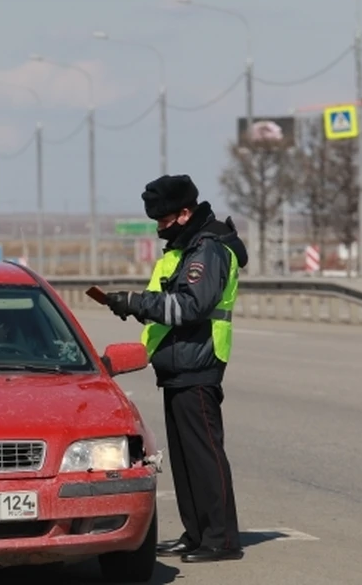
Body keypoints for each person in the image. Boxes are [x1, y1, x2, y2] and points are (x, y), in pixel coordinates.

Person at [104, 174, 247, 564]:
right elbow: (168, 301)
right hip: (177, 363)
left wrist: (136, 302)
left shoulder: (208, 250)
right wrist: (134, 304)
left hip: (198, 361)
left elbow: (189, 307)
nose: (160, 227)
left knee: (204, 456)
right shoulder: (185, 248)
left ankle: (221, 539)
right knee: (184, 461)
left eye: (165, 219)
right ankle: (197, 533)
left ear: (185, 213)